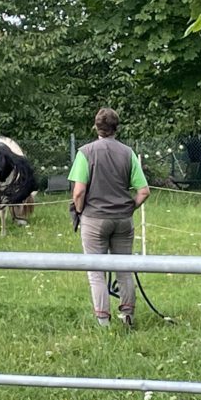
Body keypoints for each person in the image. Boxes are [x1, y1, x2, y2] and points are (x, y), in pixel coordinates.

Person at [68, 108, 150, 328]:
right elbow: (144, 191)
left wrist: (79, 211)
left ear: (96, 127)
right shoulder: (128, 153)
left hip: (94, 219)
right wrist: (130, 207)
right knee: (124, 270)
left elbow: (78, 192)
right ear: (117, 128)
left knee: (96, 272)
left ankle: (103, 320)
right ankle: (128, 318)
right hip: (123, 220)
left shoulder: (85, 152)